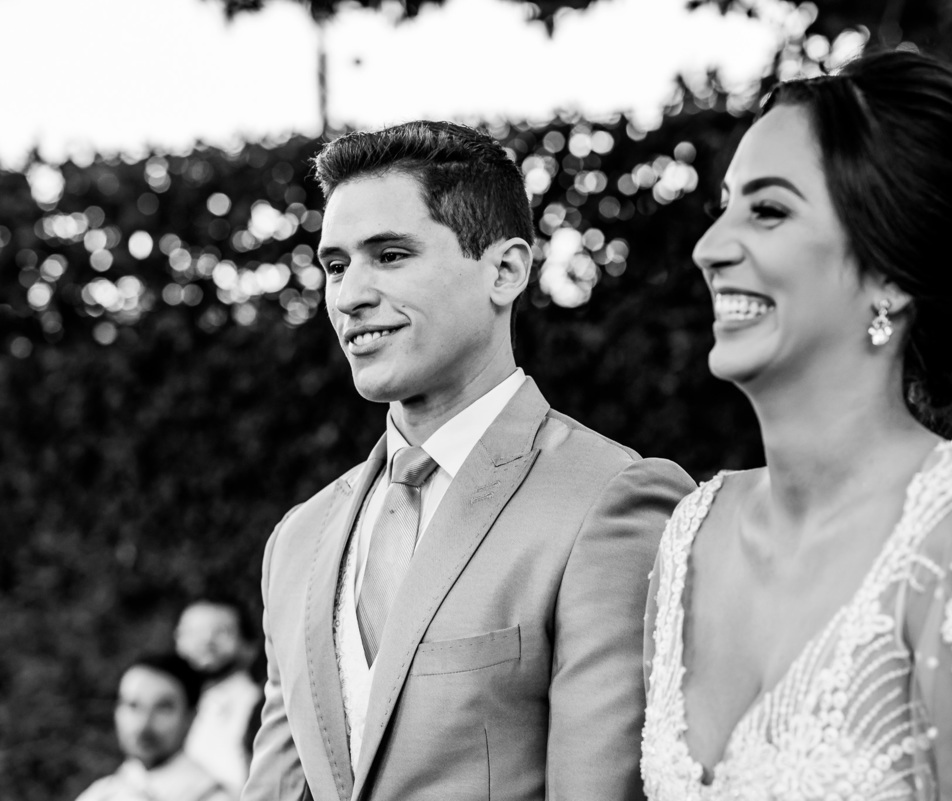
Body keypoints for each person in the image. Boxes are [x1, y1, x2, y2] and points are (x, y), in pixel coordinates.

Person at [641, 49, 952, 800]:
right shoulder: (691, 535)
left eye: (769, 209)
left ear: (892, 275)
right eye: (725, 205)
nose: (709, 248)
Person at [243, 120, 695, 801]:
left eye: (390, 255)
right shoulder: (297, 542)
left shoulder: (611, 500)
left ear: (506, 270)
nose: (349, 294)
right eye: (336, 265)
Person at [76, 653, 232, 801]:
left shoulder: (211, 796)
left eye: (163, 708)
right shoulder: (101, 793)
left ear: (190, 716)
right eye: (133, 705)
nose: (144, 723)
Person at [174, 594, 263, 796]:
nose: (206, 640)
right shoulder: (169, 704)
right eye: (194, 632)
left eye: (221, 631)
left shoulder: (258, 707)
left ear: (250, 645)